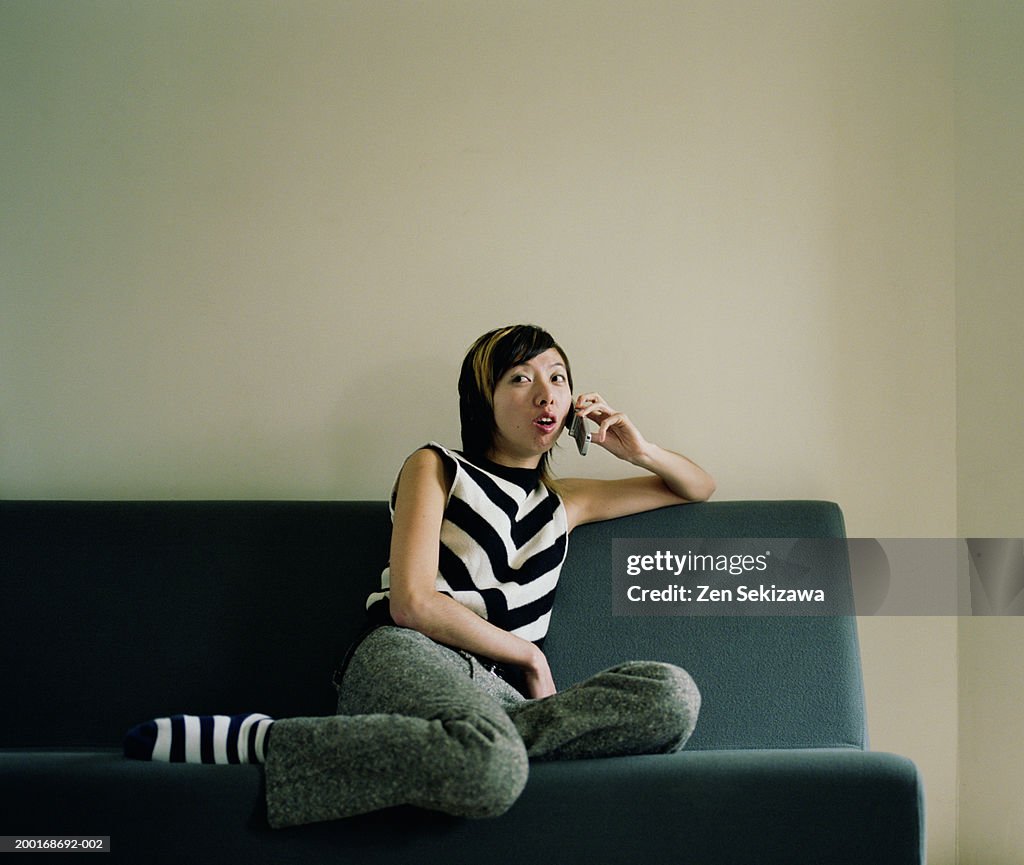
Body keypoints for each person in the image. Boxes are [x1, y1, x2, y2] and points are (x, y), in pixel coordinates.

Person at [124, 324, 715, 828]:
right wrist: (530, 658)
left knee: (671, 696)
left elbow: (696, 486)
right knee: (488, 763)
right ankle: (267, 740)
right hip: (408, 653)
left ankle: (492, 743)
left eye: (557, 377)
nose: (546, 394)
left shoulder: (567, 501)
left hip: (496, 698)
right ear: (482, 399)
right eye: (520, 378)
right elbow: (412, 601)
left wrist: (638, 450)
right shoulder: (436, 466)